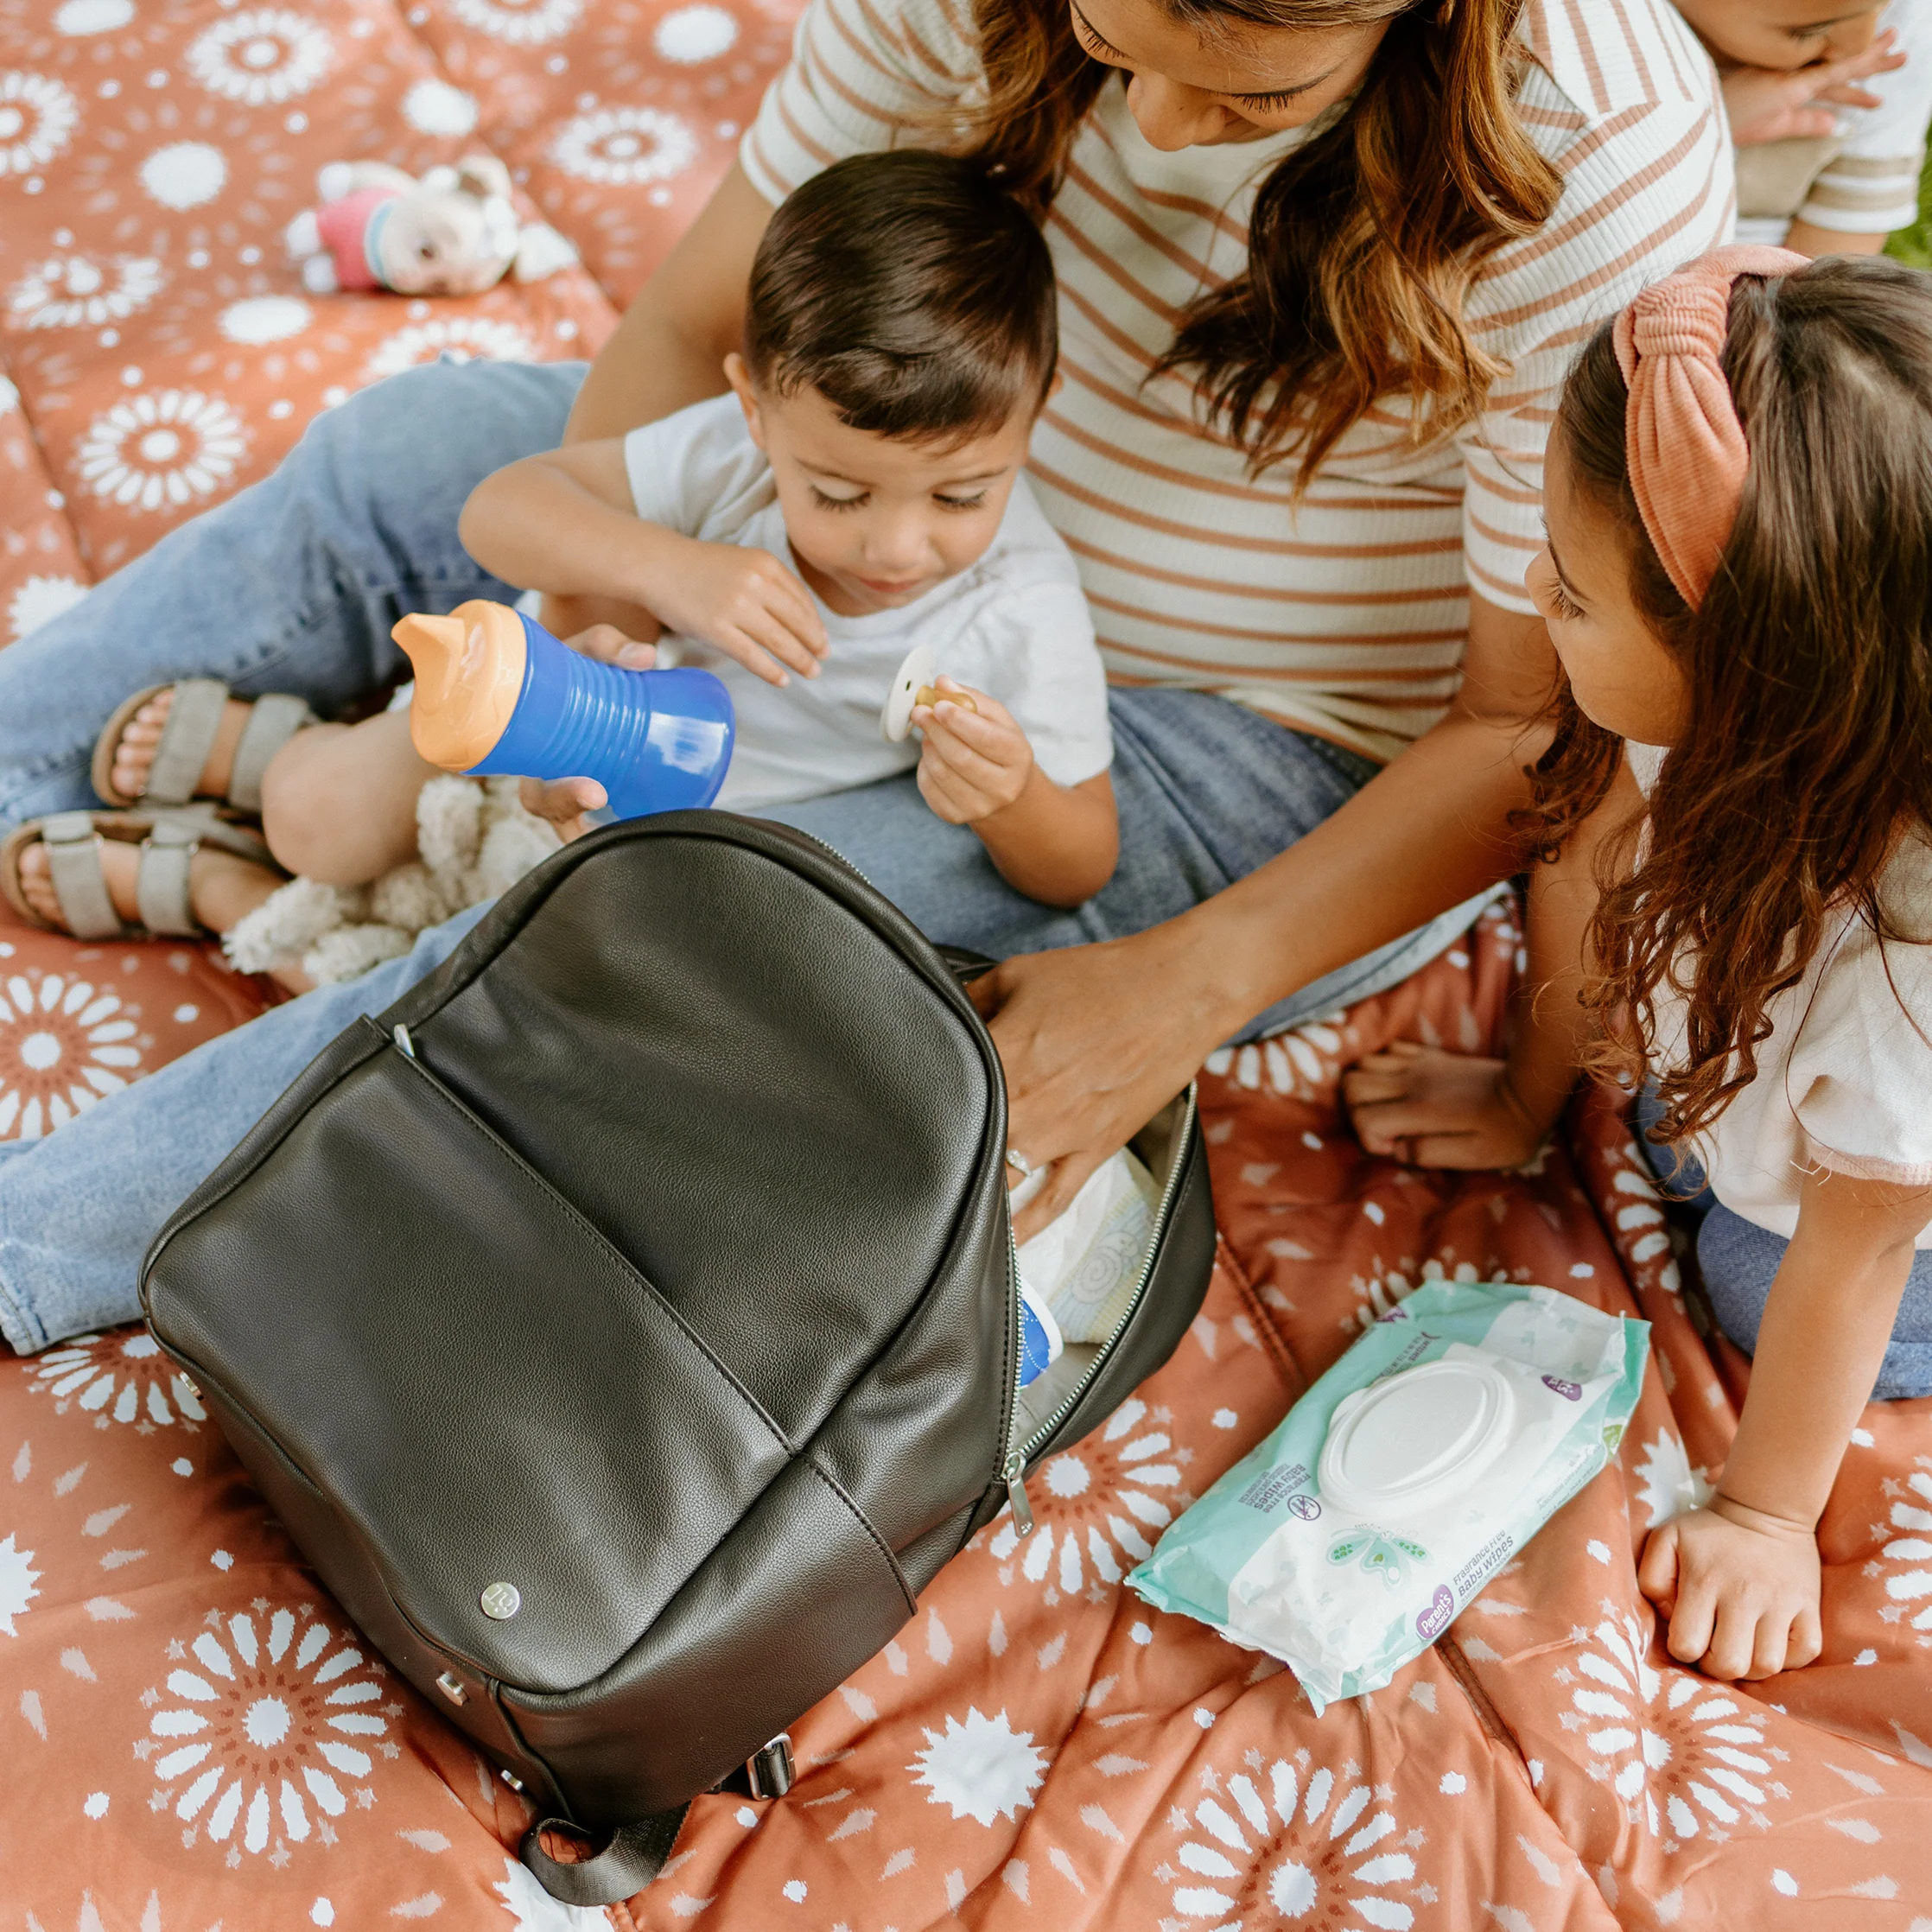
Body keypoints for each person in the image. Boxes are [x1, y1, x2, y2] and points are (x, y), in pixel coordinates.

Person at [0, 0, 1732, 1354]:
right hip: (857, 501)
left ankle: (43, 1235)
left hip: (1249, 745)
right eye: (1104, 45)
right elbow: (700, 323)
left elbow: (1528, 725)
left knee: (659, 923)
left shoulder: (1601, 160)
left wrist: (1182, 985)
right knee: (413, 443)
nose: (1148, 134)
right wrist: (610, 604)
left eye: (1248, 99)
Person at [3, 153, 1116, 968]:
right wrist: (673, 570)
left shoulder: (1016, 608)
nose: (896, 545)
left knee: (449, 1004)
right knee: (322, 818)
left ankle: (222, 887)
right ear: (756, 409)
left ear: (1035, 422)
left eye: (964, 494)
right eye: (836, 492)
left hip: (629, 858)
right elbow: (504, 510)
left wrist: (1009, 793)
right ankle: (279, 774)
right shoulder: (727, 465)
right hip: (525, 723)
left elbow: (1078, 867)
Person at [1347, 249, 1932, 1682]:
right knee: (1668, 1128)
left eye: (1571, 589)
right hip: (1742, 1067)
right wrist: (1527, 1094)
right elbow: (1590, 867)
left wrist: (1764, 1511)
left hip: (1882, 1210)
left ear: (1748, 665)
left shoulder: (1906, 972)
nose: (1533, 595)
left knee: (1754, 1272)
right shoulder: (1716, 717)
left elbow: (1852, 1257)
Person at [1669, 0, 1932, 258]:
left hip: (1767, 284)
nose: (1858, 48)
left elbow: (1832, 264)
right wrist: (1707, 126)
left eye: (1880, 5)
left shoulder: (1903, 28)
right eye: (1808, 33)